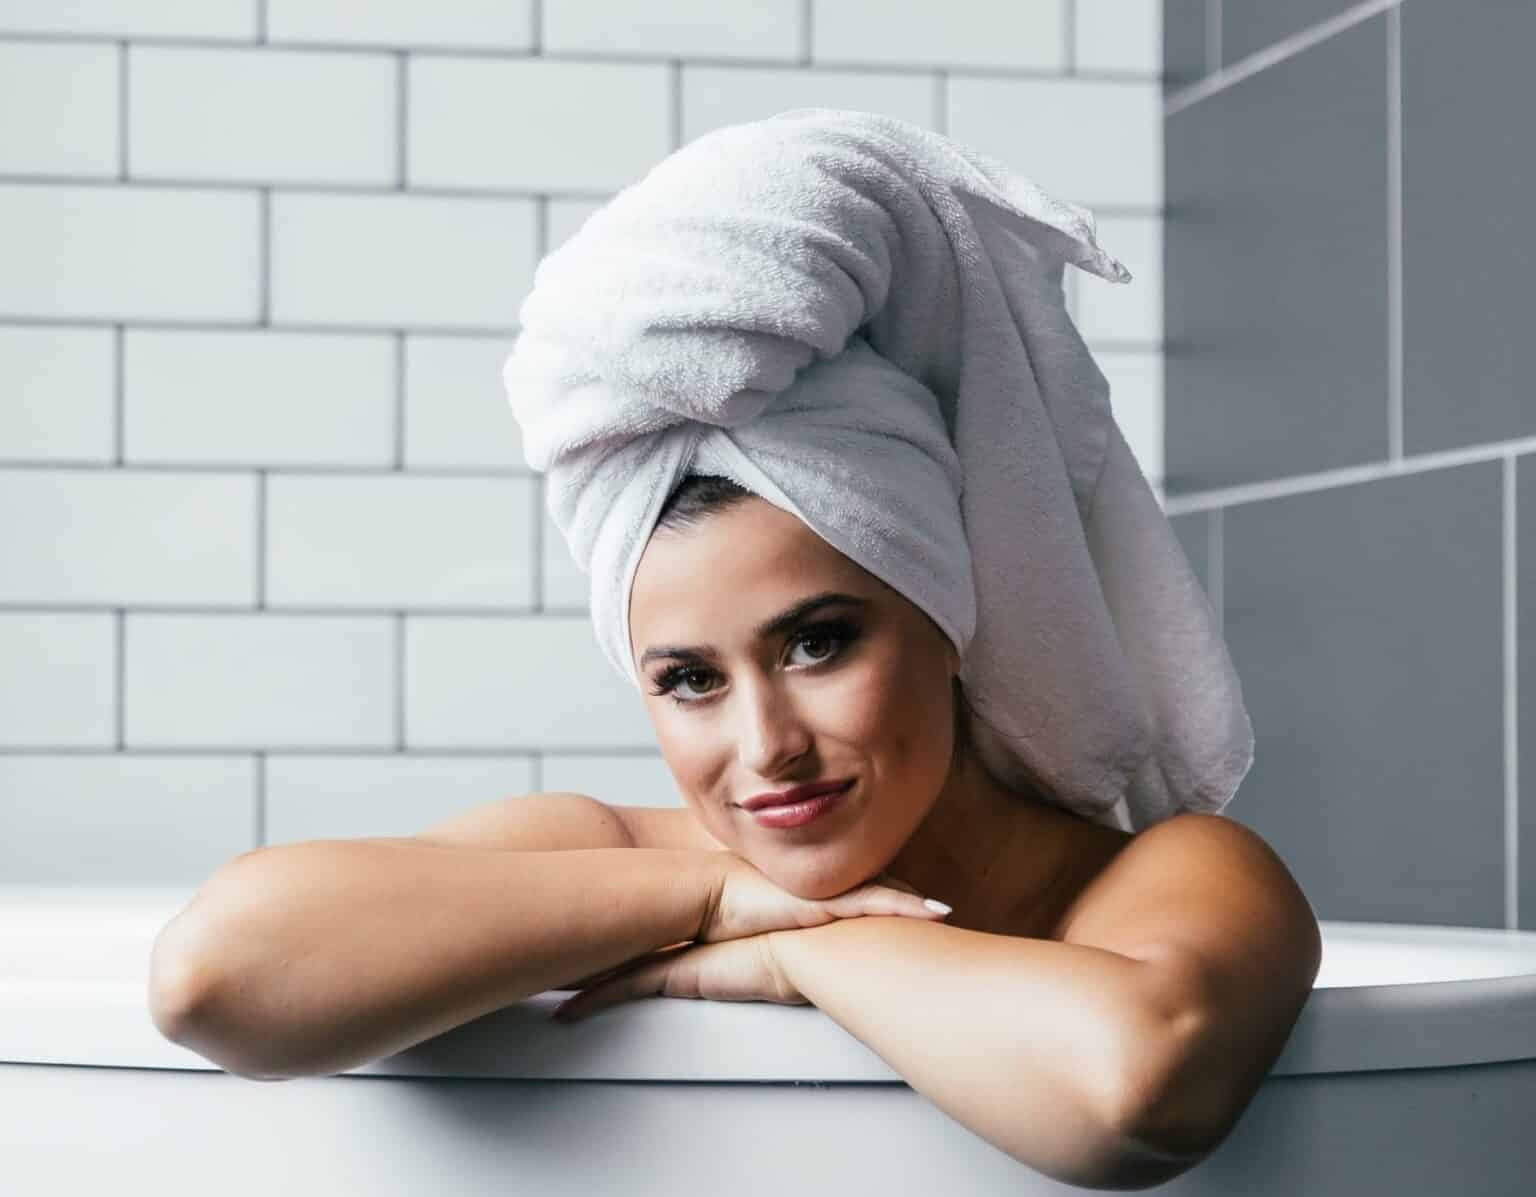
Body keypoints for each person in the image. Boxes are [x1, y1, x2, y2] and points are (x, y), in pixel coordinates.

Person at [626, 470, 1133, 941]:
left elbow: (1138, 1012)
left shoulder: (1146, 880)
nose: (766, 749)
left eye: (815, 646)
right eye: (693, 680)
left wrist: (773, 955)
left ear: (948, 624)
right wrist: (720, 900)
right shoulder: (624, 848)